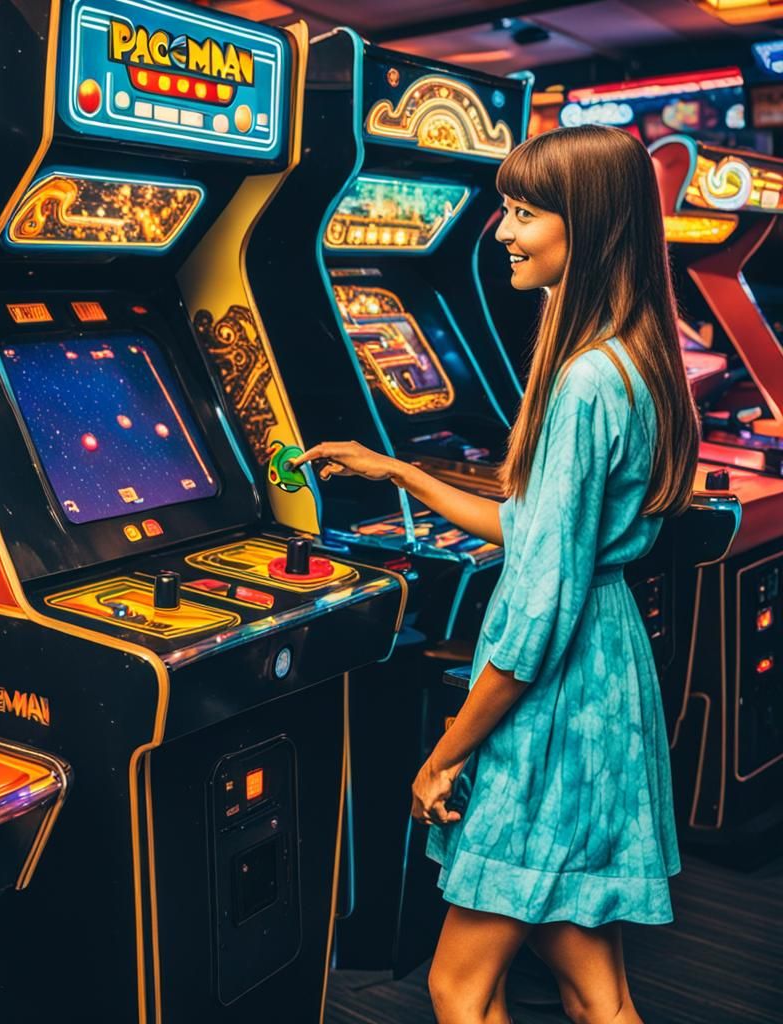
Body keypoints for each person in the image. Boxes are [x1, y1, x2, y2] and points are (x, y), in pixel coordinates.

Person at [292, 125, 699, 1024]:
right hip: (604, 680)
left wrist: (446, 754)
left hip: (551, 704)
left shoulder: (585, 382)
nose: (503, 233)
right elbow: (535, 531)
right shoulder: (633, 355)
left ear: (585, 227)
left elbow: (538, 612)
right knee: (598, 989)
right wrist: (401, 472)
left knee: (458, 987)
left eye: (523, 213)